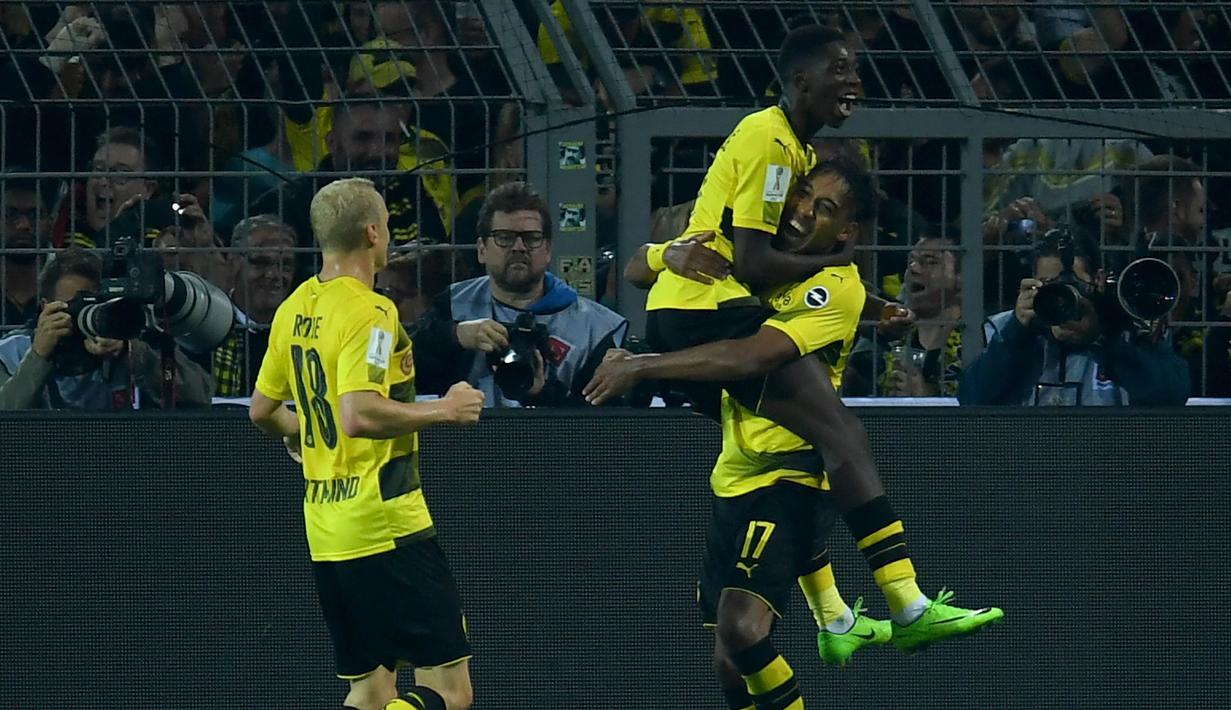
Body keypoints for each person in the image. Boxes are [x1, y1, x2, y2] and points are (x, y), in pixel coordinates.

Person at [591, 159, 1003, 678]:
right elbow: (636, 270)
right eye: (804, 194)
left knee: (742, 630)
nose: (804, 211)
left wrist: (643, 367)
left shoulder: (835, 284)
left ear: (846, 232)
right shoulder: (761, 261)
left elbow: (752, 356)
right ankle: (839, 619)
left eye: (824, 208)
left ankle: (903, 605)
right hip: (737, 467)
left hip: (790, 471)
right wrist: (668, 251)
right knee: (728, 657)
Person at [248, 178, 485, 710]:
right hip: (386, 521)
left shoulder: (294, 308)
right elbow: (358, 413)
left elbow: (262, 410)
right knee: (450, 690)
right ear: (374, 232)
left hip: (326, 528)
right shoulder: (372, 312)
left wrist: (301, 432)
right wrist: (445, 410)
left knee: (371, 689)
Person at [410, 181, 627, 407]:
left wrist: (543, 393)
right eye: (504, 237)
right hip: (464, 439)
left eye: (532, 238)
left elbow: (603, 428)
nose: (519, 247)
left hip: (552, 442)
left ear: (548, 250)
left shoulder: (595, 328)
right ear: (482, 250)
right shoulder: (455, 303)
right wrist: (454, 335)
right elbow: (403, 371)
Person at [958, 229, 1190, 406]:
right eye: (1049, 286)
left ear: (1097, 280)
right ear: (1031, 283)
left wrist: (1102, 341)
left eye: (1073, 286)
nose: (1061, 298)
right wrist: (1017, 333)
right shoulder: (1003, 329)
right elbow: (971, 399)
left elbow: (1172, 394)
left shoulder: (1130, 328)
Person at [0, 248, 213, 410]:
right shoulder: (12, 352)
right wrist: (38, 357)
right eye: (74, 305)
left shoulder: (126, 342)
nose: (83, 314)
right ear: (46, 307)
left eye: (93, 304)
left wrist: (135, 355)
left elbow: (202, 394)